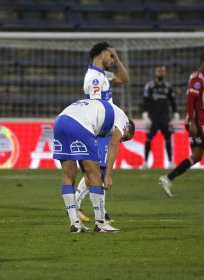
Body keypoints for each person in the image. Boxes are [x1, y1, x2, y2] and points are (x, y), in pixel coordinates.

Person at [53, 99, 135, 233]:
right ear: (128, 129)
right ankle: (101, 223)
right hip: (79, 124)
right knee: (95, 174)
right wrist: (108, 175)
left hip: (60, 122)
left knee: (68, 174)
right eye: (125, 138)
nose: (122, 140)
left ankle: (75, 224)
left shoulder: (102, 116)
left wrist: (85, 171)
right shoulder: (124, 120)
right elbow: (113, 144)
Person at [75, 41, 130, 224]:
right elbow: (95, 107)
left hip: (104, 127)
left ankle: (100, 212)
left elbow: (124, 79)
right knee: (97, 171)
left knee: (98, 170)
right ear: (100, 55)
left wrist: (117, 59)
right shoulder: (95, 79)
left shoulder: (102, 74)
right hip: (99, 129)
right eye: (109, 54)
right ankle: (82, 208)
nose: (111, 58)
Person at [159, 53, 204, 199]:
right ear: (203, 64)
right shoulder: (197, 80)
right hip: (200, 122)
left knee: (196, 155)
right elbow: (189, 101)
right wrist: (193, 123)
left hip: (196, 121)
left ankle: (168, 178)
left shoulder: (202, 78)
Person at [142, 65, 179, 169]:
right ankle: (145, 162)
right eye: (158, 71)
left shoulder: (168, 87)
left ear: (165, 73)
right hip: (152, 117)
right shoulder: (149, 86)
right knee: (148, 138)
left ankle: (170, 162)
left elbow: (173, 102)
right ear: (155, 72)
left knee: (168, 138)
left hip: (165, 117)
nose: (160, 73)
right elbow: (145, 101)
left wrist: (175, 113)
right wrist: (145, 114)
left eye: (162, 71)